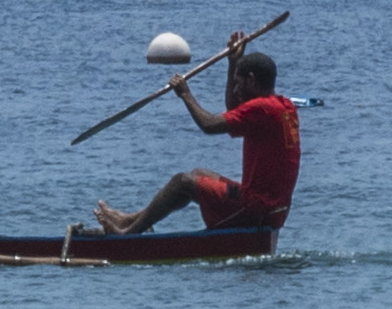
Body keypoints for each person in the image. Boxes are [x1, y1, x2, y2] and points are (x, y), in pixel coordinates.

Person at [95, 45, 296, 239]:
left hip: (258, 208)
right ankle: (130, 220)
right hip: (273, 207)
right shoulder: (283, 106)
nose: (236, 90)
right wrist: (233, 63)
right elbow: (233, 108)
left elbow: (209, 125)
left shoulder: (261, 109)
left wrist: (185, 94)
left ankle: (126, 234)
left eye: (238, 83)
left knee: (183, 182)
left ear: (250, 80)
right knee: (199, 174)